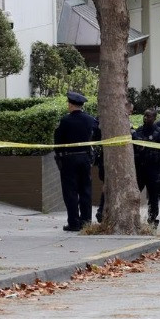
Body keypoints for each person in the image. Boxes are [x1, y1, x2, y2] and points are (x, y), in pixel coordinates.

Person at [53, 91, 99, 232]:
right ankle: (86, 222)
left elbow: (58, 141)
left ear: (71, 104)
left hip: (69, 159)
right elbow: (98, 135)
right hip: (85, 158)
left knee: (70, 191)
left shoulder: (65, 121)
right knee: (85, 190)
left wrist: (59, 156)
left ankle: (73, 223)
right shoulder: (90, 120)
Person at [95, 100, 135, 223]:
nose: (131, 113)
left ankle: (103, 211)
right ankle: (102, 211)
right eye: (130, 111)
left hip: (119, 160)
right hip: (108, 160)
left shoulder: (126, 123)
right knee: (107, 185)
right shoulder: (109, 122)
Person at [133, 109, 160, 227]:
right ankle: (134, 217)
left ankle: (152, 218)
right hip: (140, 168)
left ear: (154, 118)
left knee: (153, 196)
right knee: (134, 193)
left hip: (154, 169)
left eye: (148, 116)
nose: (145, 118)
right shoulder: (138, 131)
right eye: (145, 115)